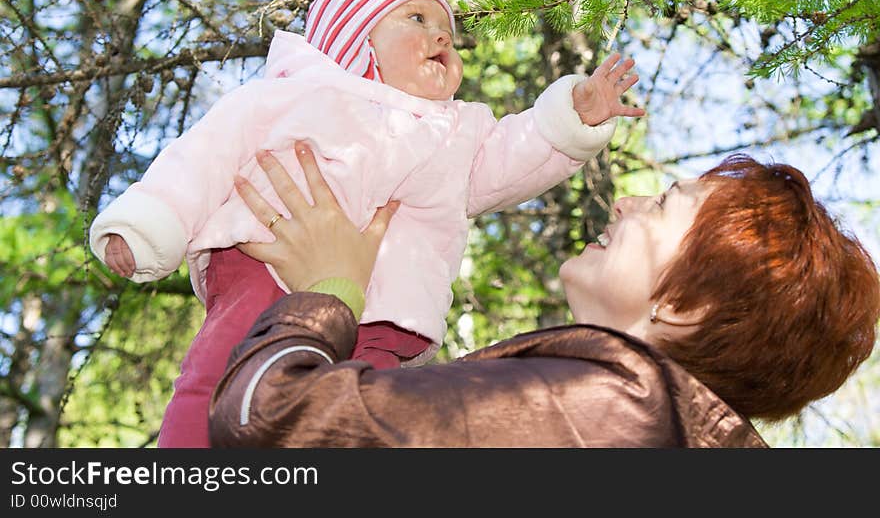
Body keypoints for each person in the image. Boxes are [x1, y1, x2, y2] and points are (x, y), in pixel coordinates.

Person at [87, 0, 646, 447]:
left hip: (386, 317)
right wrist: (145, 226)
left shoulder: (456, 130)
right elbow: (202, 158)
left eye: (448, 32)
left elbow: (507, 162)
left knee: (363, 418)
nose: (441, 38)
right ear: (354, 36)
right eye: (417, 21)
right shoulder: (289, 96)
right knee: (219, 380)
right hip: (265, 272)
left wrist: (574, 118)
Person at [208, 143, 880, 447]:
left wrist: (331, 289)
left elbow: (268, 420)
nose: (626, 199)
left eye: (667, 203)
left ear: (684, 305)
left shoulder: (606, 414)